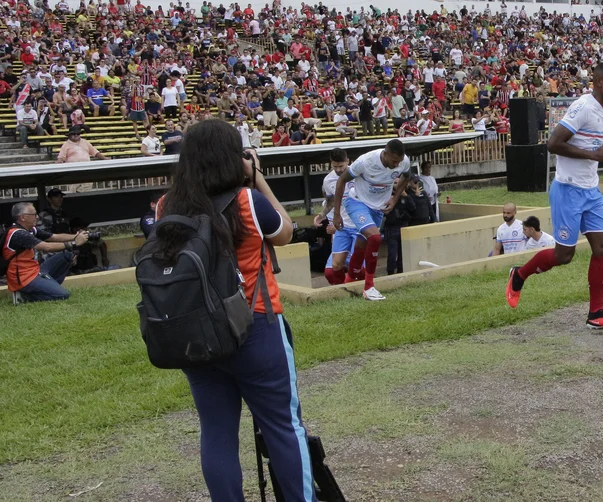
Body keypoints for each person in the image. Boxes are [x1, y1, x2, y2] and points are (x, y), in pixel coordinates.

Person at [152, 119, 310, 502]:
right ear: (232, 157)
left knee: (217, 432)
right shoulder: (247, 201)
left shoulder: (165, 207)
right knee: (283, 427)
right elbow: (285, 231)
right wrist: (257, 177)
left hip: (196, 332)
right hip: (255, 325)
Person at [506, 62, 603, 330]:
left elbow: (584, 144)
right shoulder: (583, 106)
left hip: (591, 190)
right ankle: (519, 274)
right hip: (568, 190)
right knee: (564, 256)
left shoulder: (602, 109)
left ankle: (596, 314)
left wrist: (600, 148)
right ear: (597, 81)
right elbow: (553, 143)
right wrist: (594, 154)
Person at [332, 139, 411, 301]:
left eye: (399, 162)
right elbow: (341, 181)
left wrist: (394, 199)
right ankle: (369, 287)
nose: (397, 165)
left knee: (362, 244)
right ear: (385, 153)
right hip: (357, 202)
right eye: (394, 161)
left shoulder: (403, 162)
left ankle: (349, 283)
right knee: (375, 238)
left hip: (378, 208)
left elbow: (407, 177)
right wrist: (336, 214)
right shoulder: (365, 162)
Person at [3, 202, 89, 302]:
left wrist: (76, 236)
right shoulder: (18, 234)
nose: (37, 217)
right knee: (64, 295)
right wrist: (74, 243)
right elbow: (46, 247)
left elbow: (54, 237)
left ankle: (49, 287)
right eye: (34, 215)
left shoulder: (30, 229)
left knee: (67, 255)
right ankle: (23, 297)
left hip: (35, 270)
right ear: (22, 217)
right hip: (24, 278)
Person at [317, 149, 357, 286]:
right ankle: (343, 293)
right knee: (331, 270)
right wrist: (322, 214)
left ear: (348, 161)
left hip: (359, 226)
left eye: (341, 166)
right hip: (342, 228)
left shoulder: (358, 173)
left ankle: (364, 289)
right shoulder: (328, 180)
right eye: (335, 166)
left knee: (356, 267)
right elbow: (331, 201)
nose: (339, 170)